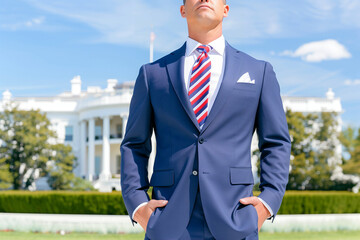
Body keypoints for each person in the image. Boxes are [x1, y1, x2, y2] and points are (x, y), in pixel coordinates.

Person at [120, 0, 291, 239]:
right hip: (167, 220)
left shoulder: (259, 71)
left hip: (236, 216)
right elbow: (134, 145)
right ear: (182, 10)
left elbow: (276, 142)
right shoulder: (152, 74)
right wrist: (138, 207)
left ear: (226, 9)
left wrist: (266, 203)